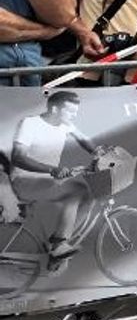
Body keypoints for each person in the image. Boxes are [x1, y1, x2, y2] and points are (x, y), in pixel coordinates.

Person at [10, 91, 103, 265]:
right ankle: (58, 245)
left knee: (89, 195)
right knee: (78, 191)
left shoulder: (64, 124)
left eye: (76, 112)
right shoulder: (30, 124)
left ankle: (59, 243)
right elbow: (18, 157)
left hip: (47, 181)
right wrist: (52, 170)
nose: (74, 116)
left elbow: (83, 139)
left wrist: (98, 153)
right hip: (24, 181)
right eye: (70, 111)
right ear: (54, 109)